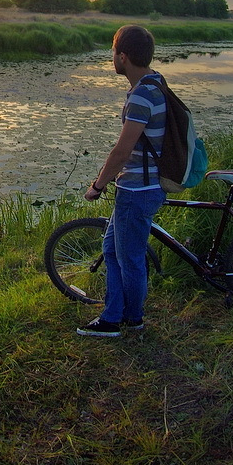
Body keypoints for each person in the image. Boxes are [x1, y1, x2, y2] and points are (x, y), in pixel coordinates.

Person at [78, 24, 169, 337]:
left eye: (113, 51)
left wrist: (98, 185)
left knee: (130, 258)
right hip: (139, 185)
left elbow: (122, 149)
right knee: (114, 250)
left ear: (123, 57)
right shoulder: (155, 83)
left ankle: (131, 320)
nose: (112, 57)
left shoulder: (142, 94)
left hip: (138, 190)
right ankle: (113, 316)